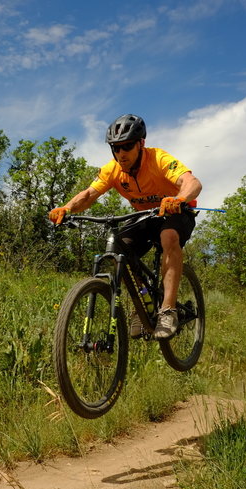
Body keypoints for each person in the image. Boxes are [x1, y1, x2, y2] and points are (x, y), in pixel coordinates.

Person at [48, 114, 202, 340]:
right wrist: (67, 208)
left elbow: (192, 182)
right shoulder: (113, 169)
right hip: (144, 216)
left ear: (141, 144)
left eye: (127, 146)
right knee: (119, 249)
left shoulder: (158, 159)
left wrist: (179, 199)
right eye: (116, 148)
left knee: (169, 236)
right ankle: (143, 303)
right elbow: (90, 193)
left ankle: (168, 310)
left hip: (176, 211)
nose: (121, 153)